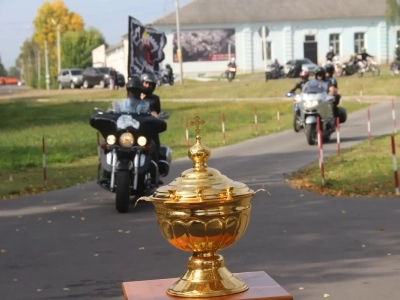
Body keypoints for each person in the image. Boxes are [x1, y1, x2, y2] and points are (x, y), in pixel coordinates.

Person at [100, 76, 160, 184]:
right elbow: (112, 112)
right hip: (122, 135)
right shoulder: (119, 104)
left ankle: (154, 175)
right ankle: (106, 174)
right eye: (132, 90)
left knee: (153, 145)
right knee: (107, 144)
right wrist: (107, 114)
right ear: (127, 90)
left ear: (140, 91)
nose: (134, 93)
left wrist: (156, 118)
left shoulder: (145, 105)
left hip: (138, 135)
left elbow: (154, 114)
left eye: (136, 90)